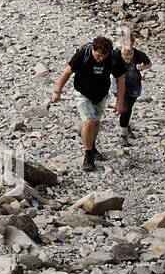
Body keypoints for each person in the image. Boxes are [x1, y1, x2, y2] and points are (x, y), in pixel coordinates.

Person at [52, 36, 127, 172]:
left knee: (96, 123)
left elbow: (120, 79)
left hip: (101, 94)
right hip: (83, 93)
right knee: (89, 122)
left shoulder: (113, 58)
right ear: (93, 49)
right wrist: (57, 91)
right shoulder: (83, 55)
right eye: (98, 56)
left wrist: (120, 102)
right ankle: (88, 155)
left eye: (104, 56)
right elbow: (67, 72)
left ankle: (91, 146)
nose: (101, 59)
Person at [111, 39, 152, 144]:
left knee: (128, 108)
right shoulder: (116, 54)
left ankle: (126, 127)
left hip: (134, 85)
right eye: (125, 44)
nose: (128, 47)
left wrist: (142, 67)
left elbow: (149, 64)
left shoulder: (139, 54)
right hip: (119, 85)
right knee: (125, 108)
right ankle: (123, 134)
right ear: (122, 44)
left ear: (133, 44)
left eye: (130, 44)